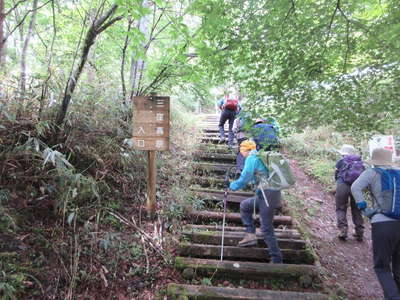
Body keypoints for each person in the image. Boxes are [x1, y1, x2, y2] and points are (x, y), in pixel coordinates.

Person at [351, 148, 400, 300]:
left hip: (383, 223)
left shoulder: (372, 172)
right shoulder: (398, 173)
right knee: (398, 266)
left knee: (381, 266)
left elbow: (355, 187)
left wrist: (364, 208)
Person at [228, 140, 283, 263]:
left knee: (266, 228)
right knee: (245, 205)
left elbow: (245, 177)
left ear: (246, 150)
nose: (241, 153)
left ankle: (276, 258)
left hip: (268, 194)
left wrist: (233, 186)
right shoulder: (258, 157)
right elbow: (256, 177)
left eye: (241, 150)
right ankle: (250, 236)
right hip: (266, 194)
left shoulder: (252, 158)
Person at [334, 144, 364, 241]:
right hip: (357, 186)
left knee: (341, 207)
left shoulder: (341, 161)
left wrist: (338, 182)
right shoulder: (360, 162)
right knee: (356, 209)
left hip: (343, 184)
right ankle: (359, 232)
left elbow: (336, 173)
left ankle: (343, 230)